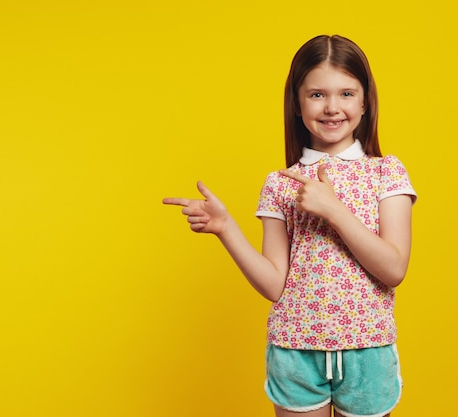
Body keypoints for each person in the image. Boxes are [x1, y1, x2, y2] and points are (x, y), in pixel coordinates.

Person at [162, 34, 416, 417]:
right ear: (296, 104)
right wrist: (226, 228)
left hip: (368, 349)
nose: (332, 107)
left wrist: (334, 211)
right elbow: (274, 285)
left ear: (366, 102)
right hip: (296, 350)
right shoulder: (280, 183)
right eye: (316, 95)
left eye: (347, 93)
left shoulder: (386, 172)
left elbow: (394, 269)